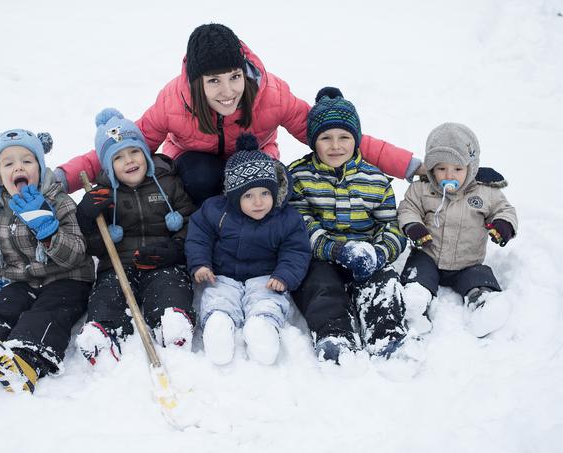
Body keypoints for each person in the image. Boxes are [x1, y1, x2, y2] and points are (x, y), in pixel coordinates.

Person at [53, 23, 420, 205]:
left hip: (255, 165)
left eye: (234, 77)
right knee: (197, 173)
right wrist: (60, 178)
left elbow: (333, 136)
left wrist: (410, 166)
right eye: (214, 81)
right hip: (197, 172)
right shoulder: (172, 102)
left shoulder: (271, 94)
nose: (228, 91)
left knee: (272, 187)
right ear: (197, 83)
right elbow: (123, 145)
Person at [0, 129, 95, 393]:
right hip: (24, 280)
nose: (18, 168)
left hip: (67, 277)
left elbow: (77, 253)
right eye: (8, 163)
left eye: (27, 161)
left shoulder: (59, 202)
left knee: (49, 310)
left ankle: (28, 353)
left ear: (40, 166)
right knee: (7, 304)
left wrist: (48, 231)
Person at [288, 88, 413, 367]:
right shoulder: (299, 176)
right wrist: (334, 250)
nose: (335, 146)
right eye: (326, 138)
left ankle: (387, 334)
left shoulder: (375, 179)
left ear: (355, 140)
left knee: (384, 281)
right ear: (313, 142)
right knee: (319, 286)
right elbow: (300, 223)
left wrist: (379, 253)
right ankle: (334, 335)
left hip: (366, 251)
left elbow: (392, 225)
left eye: (344, 137)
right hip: (322, 255)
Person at [74, 108, 197, 366]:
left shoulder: (168, 182)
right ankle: (102, 332)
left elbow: (189, 220)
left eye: (134, 151)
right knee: (107, 292)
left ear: (145, 153)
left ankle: (172, 324)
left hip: (163, 259)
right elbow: (94, 246)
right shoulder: (102, 194)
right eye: (118, 157)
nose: (129, 160)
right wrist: (86, 219)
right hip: (118, 264)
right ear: (108, 165)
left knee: (170, 284)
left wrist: (176, 248)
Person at [185, 133, 311, 366]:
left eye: (265, 193)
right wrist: (200, 264)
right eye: (248, 196)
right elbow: (198, 236)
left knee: (268, 300)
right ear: (234, 197)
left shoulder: (287, 219)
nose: (259, 202)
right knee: (218, 297)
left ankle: (263, 325)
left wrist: (284, 276)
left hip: (266, 278)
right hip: (223, 276)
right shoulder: (216, 211)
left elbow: (296, 251)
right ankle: (218, 323)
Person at [398, 122, 518, 338]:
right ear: (431, 168)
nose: (448, 175)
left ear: (471, 168)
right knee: (417, 271)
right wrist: (413, 226)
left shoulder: (485, 192)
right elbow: (408, 208)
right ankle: (415, 303)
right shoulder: (421, 188)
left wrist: (504, 224)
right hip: (429, 255)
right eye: (441, 168)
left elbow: (504, 209)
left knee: (479, 276)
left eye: (457, 169)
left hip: (467, 261)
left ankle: (482, 302)